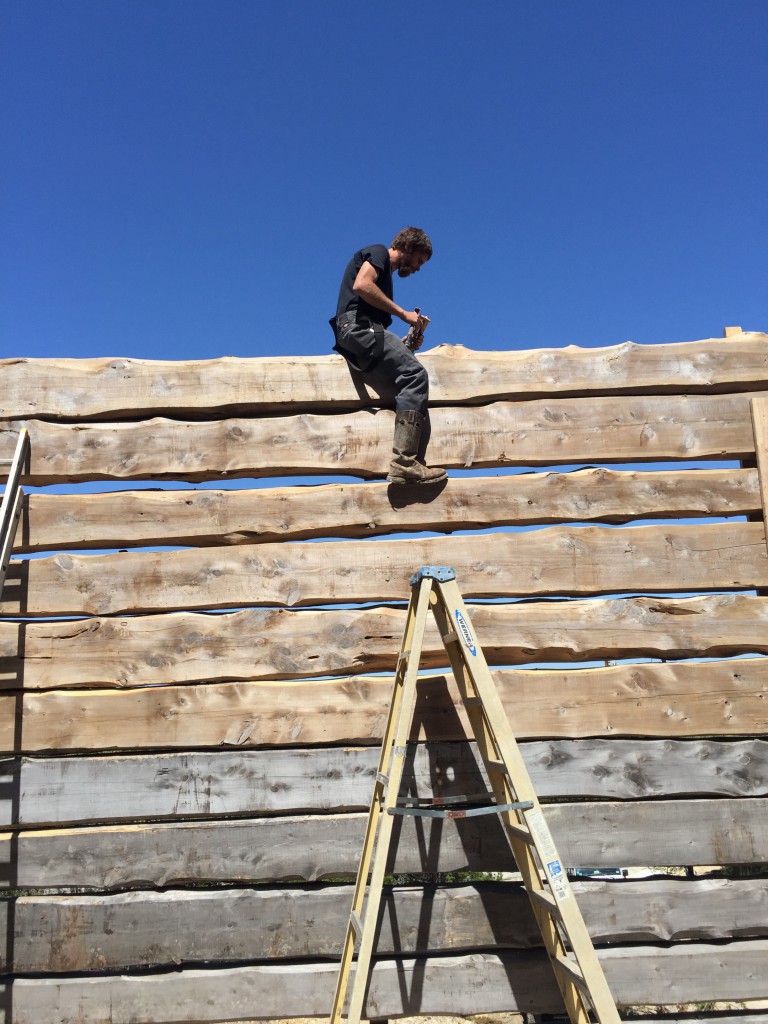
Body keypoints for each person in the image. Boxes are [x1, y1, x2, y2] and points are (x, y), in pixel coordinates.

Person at [330, 227, 447, 486]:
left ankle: (407, 461)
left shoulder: (386, 279)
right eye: (419, 260)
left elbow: (382, 339)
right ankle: (404, 462)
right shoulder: (379, 252)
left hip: (361, 332)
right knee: (416, 374)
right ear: (408, 246)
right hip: (357, 328)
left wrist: (406, 344)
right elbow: (362, 285)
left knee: (408, 370)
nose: (417, 268)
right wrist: (404, 314)